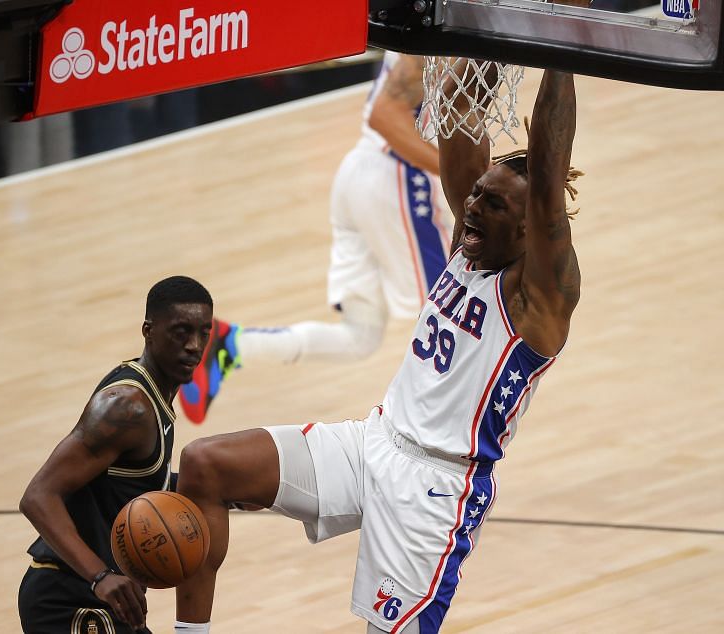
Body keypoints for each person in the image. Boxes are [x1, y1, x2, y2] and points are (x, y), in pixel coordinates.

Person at [172, 61, 581, 634]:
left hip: (435, 491)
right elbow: (462, 111)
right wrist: (483, 28)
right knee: (203, 466)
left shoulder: (538, 296)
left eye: (493, 205)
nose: (471, 206)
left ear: (527, 230)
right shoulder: (471, 247)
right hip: (373, 441)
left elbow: (547, 175)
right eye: (477, 195)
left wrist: (562, 51)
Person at [179, 52, 453, 423]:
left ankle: (228, 345)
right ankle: (434, 427)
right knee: (451, 308)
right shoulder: (440, 27)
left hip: (359, 174)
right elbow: (385, 116)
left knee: (360, 336)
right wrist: (461, 173)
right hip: (395, 178)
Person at [18, 276, 214, 634]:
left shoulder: (155, 398)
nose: (194, 346)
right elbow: (38, 496)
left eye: (204, 332)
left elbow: (130, 483)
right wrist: (100, 577)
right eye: (181, 332)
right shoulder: (127, 408)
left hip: (105, 600)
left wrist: (220, 489)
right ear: (148, 331)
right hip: (71, 598)